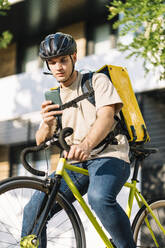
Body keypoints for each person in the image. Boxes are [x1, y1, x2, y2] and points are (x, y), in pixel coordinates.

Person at [22, 32, 136, 248]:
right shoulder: (53, 96)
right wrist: (46, 123)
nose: (58, 67)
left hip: (110, 155)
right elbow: (40, 141)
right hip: (76, 163)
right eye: (52, 62)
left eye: (63, 60)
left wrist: (86, 144)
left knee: (99, 197)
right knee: (34, 209)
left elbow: (106, 116)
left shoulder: (96, 81)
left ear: (74, 56)